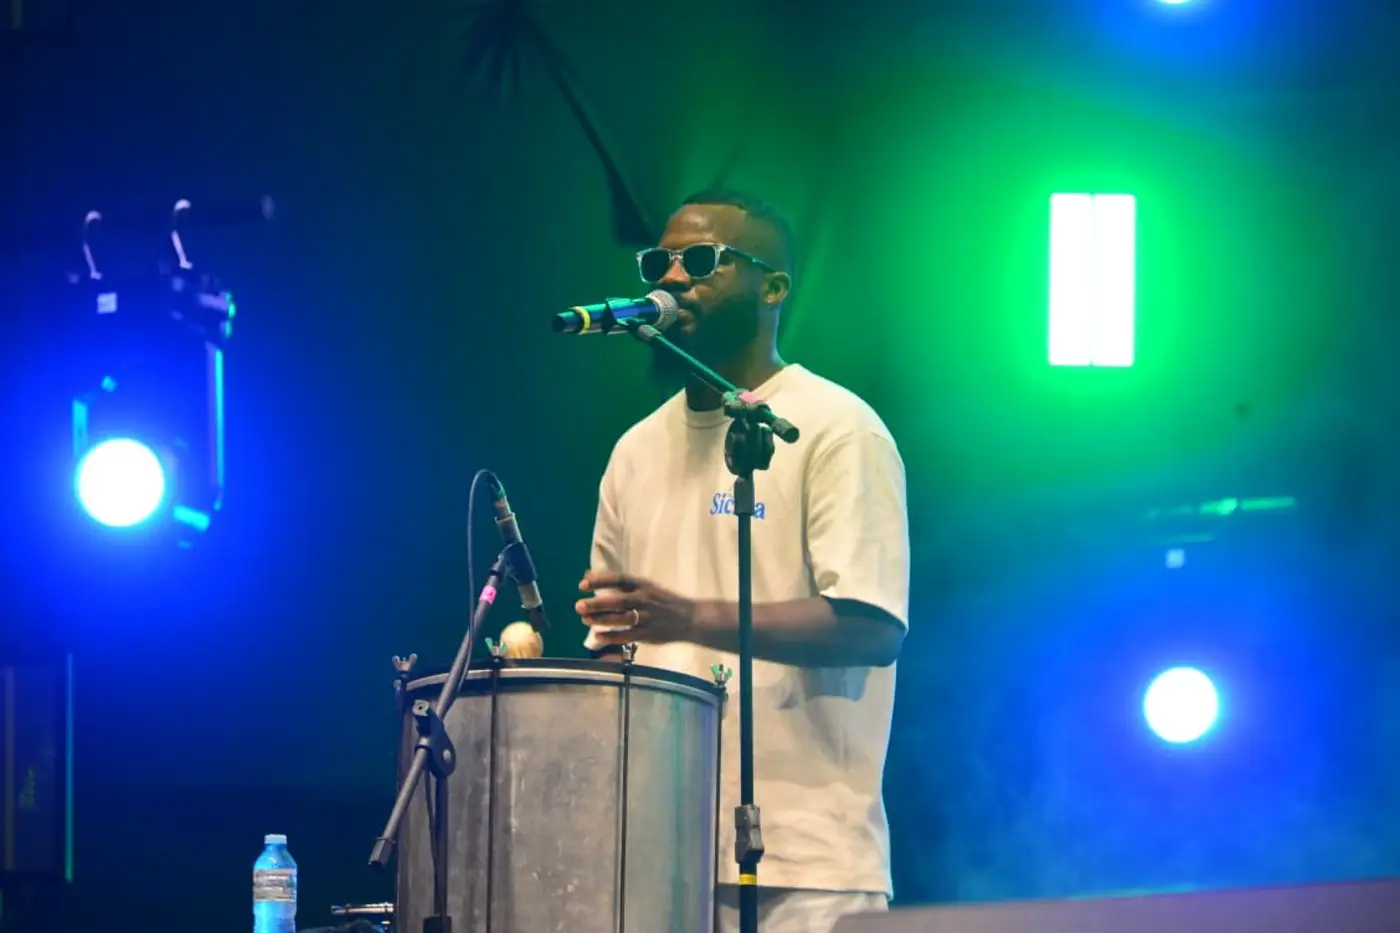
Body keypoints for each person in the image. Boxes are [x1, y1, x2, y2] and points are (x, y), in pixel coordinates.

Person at [576, 188, 910, 933]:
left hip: (807, 860)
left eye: (701, 261)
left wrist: (689, 617)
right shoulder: (635, 450)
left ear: (774, 286)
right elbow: (614, 644)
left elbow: (871, 625)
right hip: (657, 849)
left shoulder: (836, 427)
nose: (672, 278)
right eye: (659, 263)